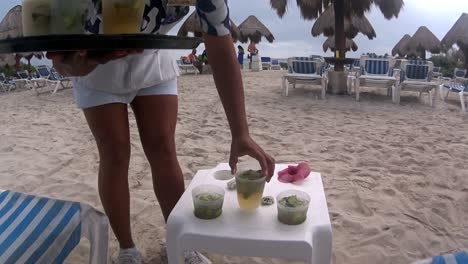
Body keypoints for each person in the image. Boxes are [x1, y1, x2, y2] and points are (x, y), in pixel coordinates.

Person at [47, 1, 275, 264]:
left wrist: (240, 132)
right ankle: (127, 249)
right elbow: (61, 63)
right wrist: (75, 66)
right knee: (114, 154)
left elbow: (220, 42)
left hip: (154, 56)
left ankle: (180, 241)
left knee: (164, 150)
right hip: (94, 65)